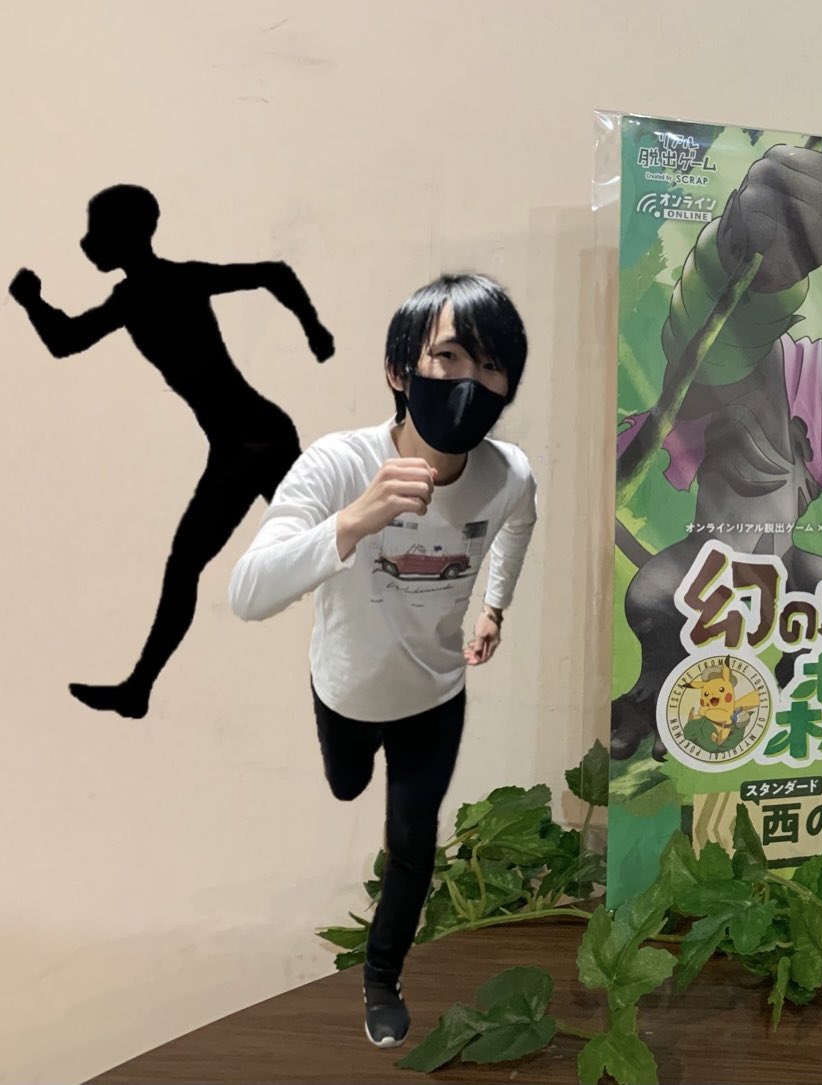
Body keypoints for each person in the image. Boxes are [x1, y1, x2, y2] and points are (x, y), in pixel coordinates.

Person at [228, 274, 537, 1047]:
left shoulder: (506, 474)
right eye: (449, 357)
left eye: (491, 365)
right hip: (345, 689)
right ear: (400, 370)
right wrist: (355, 519)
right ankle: (349, 765)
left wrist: (495, 606)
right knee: (346, 782)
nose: (469, 382)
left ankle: (380, 977)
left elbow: (520, 521)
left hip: (435, 695)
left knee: (411, 842)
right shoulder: (338, 464)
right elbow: (247, 590)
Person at [9, 184, 334, 718]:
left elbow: (65, 340)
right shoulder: (144, 291)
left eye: (97, 231)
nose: (88, 243)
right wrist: (312, 329)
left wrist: (31, 301)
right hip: (246, 438)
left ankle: (138, 688)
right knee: (321, 547)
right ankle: (138, 689)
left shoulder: (155, 288)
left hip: (251, 441)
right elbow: (67, 341)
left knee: (216, 562)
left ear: (126, 234)